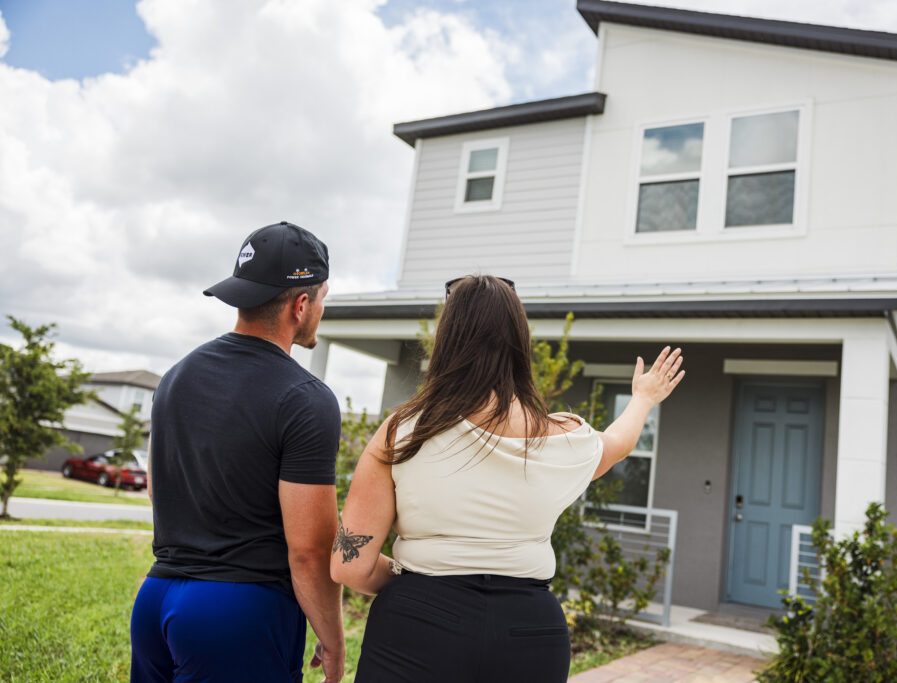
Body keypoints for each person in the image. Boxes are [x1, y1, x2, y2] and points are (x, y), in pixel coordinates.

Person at [331, 274, 684, 682]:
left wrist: (413, 583)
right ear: (520, 342)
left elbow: (350, 566)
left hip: (417, 624)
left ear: (447, 339)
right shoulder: (565, 439)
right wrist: (643, 397)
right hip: (532, 634)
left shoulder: (403, 432)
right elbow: (619, 442)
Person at [131, 222, 345, 683]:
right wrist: (332, 638)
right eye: (322, 297)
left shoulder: (175, 377)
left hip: (155, 598)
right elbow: (309, 549)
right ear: (301, 304)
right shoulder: (306, 398)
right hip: (236, 614)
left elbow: (157, 488)